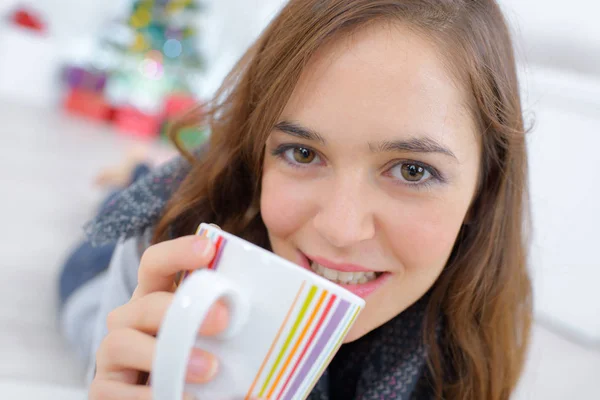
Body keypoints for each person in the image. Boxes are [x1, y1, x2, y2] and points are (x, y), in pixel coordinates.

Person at [79, 1, 532, 399]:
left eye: (413, 170)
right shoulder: (164, 240)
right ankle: (134, 174)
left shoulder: (486, 313)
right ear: (256, 155)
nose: (340, 228)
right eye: (303, 153)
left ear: (483, 186)